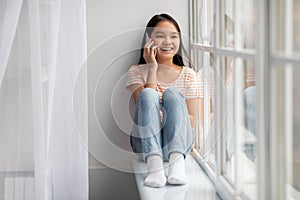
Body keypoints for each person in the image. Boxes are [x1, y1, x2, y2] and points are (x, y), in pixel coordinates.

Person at [125, 13, 199, 188]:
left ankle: (176, 165)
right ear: (149, 41)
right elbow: (145, 113)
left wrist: (170, 117)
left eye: (173, 36)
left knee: (173, 94)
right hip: (145, 144)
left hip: (179, 144)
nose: (168, 41)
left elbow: (194, 119)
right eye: (160, 36)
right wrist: (152, 67)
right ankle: (155, 167)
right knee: (147, 95)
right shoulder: (136, 71)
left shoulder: (188, 74)